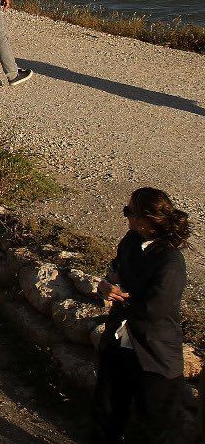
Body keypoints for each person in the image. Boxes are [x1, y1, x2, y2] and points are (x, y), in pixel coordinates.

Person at [91, 187, 190, 443]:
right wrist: (105, 288)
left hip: (153, 353)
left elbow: (155, 310)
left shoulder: (171, 262)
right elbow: (114, 271)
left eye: (129, 212)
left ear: (147, 218)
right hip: (119, 341)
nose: (126, 217)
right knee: (106, 412)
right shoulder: (130, 241)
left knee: (154, 427)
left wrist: (121, 297)